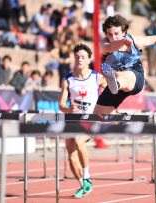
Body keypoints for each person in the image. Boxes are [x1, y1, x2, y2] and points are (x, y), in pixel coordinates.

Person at [94, 14, 156, 114]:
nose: (113, 37)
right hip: (114, 84)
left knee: (121, 75)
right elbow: (110, 47)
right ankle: (117, 123)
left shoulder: (135, 41)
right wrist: (122, 42)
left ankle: (116, 83)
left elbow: (155, 38)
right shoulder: (104, 43)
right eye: (110, 34)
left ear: (124, 32)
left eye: (117, 34)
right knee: (98, 115)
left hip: (135, 77)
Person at [58, 43, 107, 198]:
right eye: (77, 57)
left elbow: (110, 95)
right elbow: (61, 104)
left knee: (79, 141)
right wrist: (68, 109)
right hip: (72, 120)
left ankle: (87, 176)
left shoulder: (97, 77)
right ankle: (84, 185)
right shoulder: (67, 79)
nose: (79, 59)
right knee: (71, 157)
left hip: (90, 119)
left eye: (83, 57)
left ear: (89, 60)